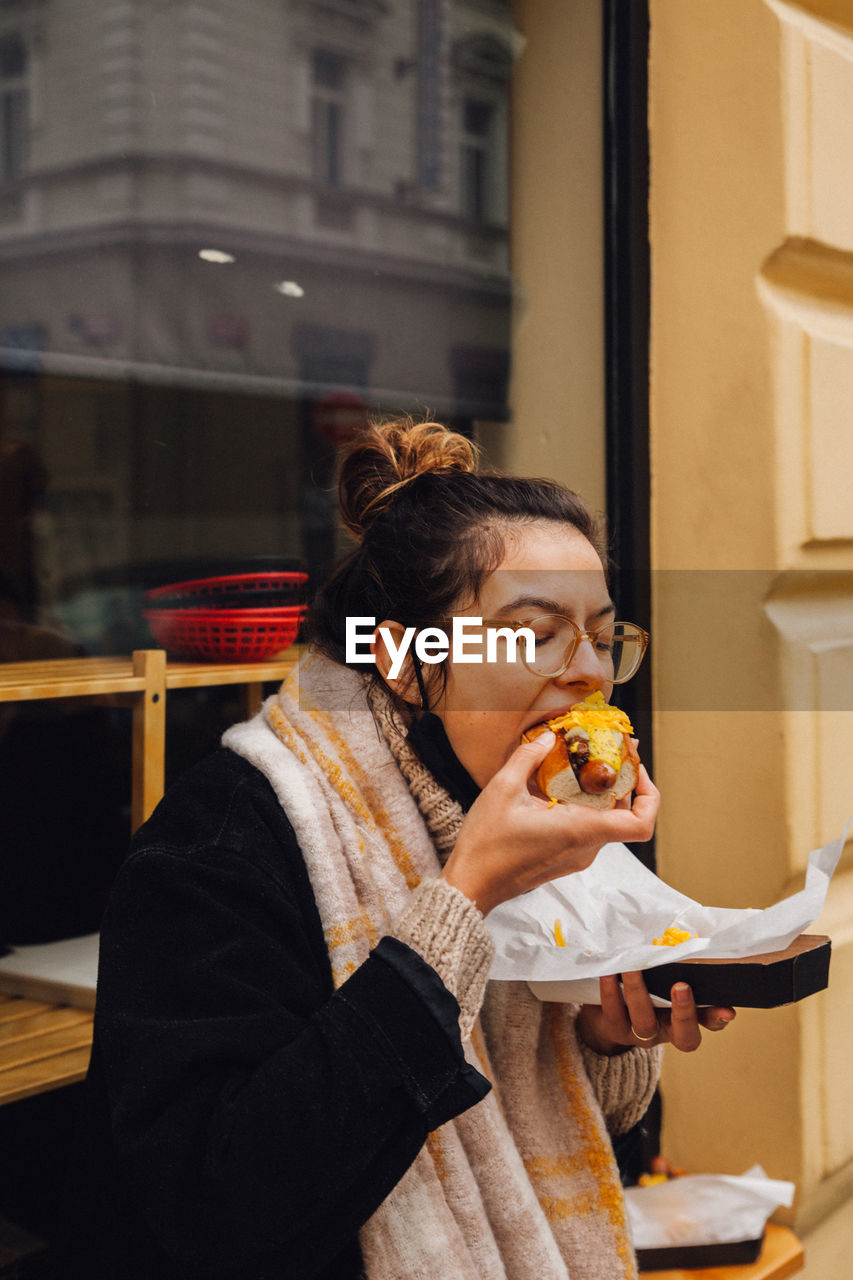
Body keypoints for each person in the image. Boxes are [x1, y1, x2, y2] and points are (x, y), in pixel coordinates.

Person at [60, 418, 735, 1279]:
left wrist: (601, 1042)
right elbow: (222, 1205)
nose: (590, 675)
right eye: (533, 635)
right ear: (408, 664)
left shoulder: (550, 823)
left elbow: (592, 1151)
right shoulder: (226, 840)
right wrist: (459, 904)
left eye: (602, 636)